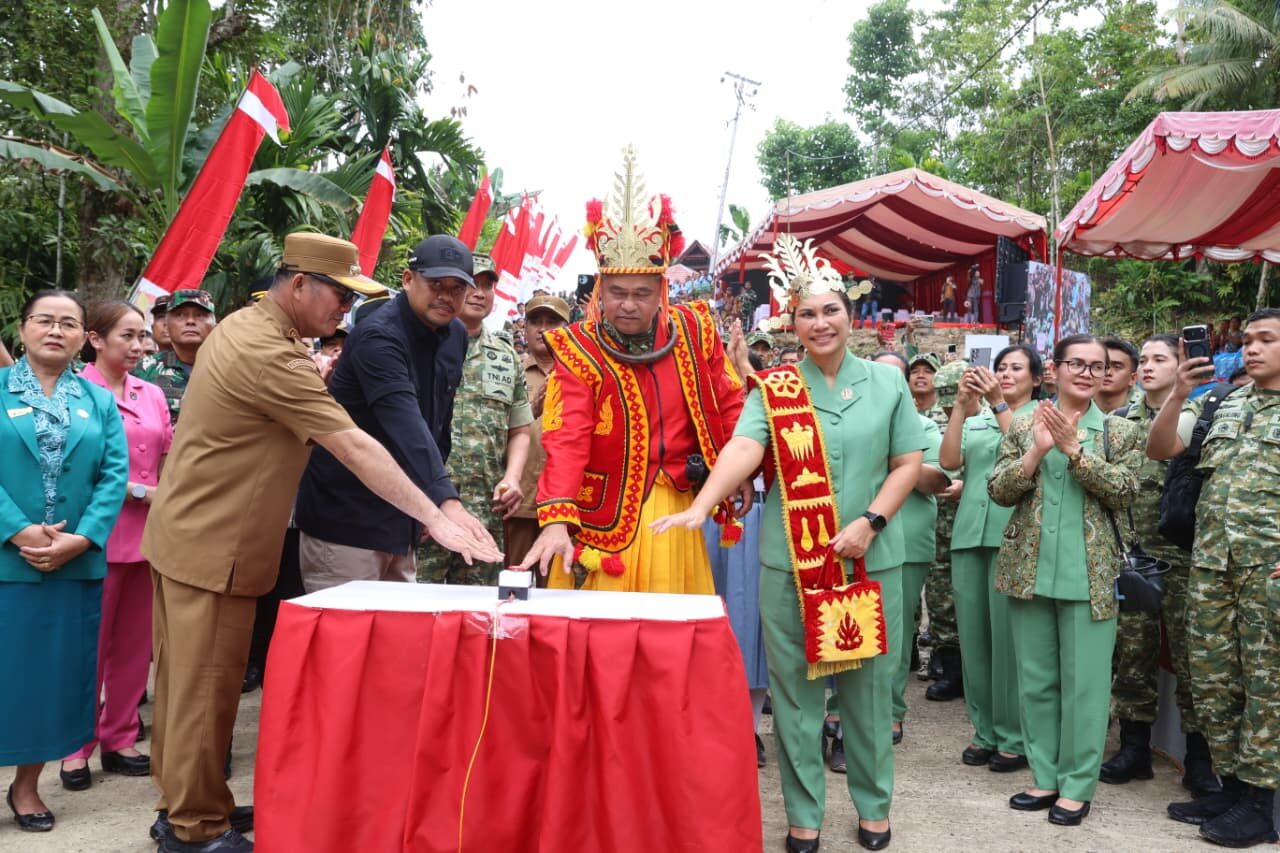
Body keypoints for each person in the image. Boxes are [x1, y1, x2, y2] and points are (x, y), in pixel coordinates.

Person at [140, 233, 501, 853]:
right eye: (339, 295)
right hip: (216, 544)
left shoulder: (253, 328)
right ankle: (194, 829)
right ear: (301, 284)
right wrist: (436, 513)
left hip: (195, 535)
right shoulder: (270, 354)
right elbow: (354, 444)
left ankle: (187, 805)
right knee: (204, 691)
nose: (345, 309)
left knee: (186, 688)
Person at [652, 234, 926, 851]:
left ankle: (874, 805)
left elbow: (908, 462)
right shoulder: (775, 389)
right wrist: (700, 505)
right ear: (792, 322)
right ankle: (804, 814)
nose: (820, 323)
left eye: (831, 310)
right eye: (807, 313)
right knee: (796, 696)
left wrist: (872, 521)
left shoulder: (887, 386)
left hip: (871, 560)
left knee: (867, 691)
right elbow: (745, 449)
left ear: (850, 316)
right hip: (790, 566)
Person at [519, 147, 748, 593]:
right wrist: (557, 517)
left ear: (661, 290)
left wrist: (734, 472)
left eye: (641, 293)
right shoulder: (580, 348)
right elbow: (567, 435)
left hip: (675, 504)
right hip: (602, 513)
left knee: (667, 625)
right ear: (600, 290)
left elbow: (728, 402)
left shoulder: (695, 329)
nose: (627, 304)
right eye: (617, 291)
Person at [988, 334, 1141, 827]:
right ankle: (1044, 776)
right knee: (1036, 682)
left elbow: (1126, 492)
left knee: (1085, 687)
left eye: (1098, 366)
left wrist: (1076, 452)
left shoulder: (1120, 432)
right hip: (1028, 571)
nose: (1087, 373)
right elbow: (998, 490)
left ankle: (1077, 785)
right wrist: (1035, 453)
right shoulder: (1023, 424)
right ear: (1054, 369)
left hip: (1089, 575)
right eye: (1077, 363)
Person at [1146, 309, 1280, 848]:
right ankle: (1233, 786)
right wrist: (1180, 392)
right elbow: (1160, 449)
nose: (1252, 349)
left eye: (1266, 340)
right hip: (1211, 567)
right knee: (1213, 680)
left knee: (1266, 684)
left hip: (1266, 570)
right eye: (1247, 340)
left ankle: (1262, 803)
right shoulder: (1223, 402)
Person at [294, 235, 494, 594]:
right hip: (347, 518)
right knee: (347, 629)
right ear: (407, 279)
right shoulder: (378, 336)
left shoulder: (454, 335)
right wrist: (445, 502)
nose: (446, 297)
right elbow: (406, 424)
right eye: (436, 284)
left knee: (400, 628)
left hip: (405, 517)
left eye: (457, 288)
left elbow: (438, 425)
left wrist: (430, 505)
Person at [0, 290, 128, 834]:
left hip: (72, 566)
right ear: (23, 329)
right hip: (6, 560)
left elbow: (114, 474)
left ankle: (27, 786)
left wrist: (84, 538)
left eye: (68, 323)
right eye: (44, 320)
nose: (56, 330)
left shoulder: (97, 400)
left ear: (83, 338)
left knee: (49, 682)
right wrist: (18, 529)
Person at [1099, 334, 1220, 797]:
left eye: (1160, 359)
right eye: (1144, 359)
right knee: (1133, 653)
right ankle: (1134, 748)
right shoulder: (1119, 420)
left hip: (1185, 555)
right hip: (1133, 555)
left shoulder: (1206, 414)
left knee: (1192, 659)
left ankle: (1199, 760)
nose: (1148, 366)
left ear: (1181, 364)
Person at [59, 301, 171, 791]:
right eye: (127, 335)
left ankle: (120, 736)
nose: (139, 345)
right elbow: (74, 466)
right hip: (96, 533)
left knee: (134, 645)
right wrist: (143, 492)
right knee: (89, 647)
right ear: (95, 339)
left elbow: (168, 454)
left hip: (150, 536)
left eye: (142, 336)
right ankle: (74, 745)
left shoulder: (152, 392)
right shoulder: (74, 392)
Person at [940, 346, 1041, 773]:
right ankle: (984, 731)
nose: (1006, 373)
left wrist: (998, 402)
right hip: (970, 534)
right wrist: (962, 406)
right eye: (1001, 368)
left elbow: (1025, 453)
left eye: (1017, 368)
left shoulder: (1041, 417)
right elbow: (949, 461)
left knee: (1009, 644)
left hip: (1013, 538)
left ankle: (1014, 736)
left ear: (1037, 378)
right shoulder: (978, 420)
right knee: (975, 641)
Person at [418, 252, 532, 585]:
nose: (479, 293)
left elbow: (520, 429)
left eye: (487, 286)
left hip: (485, 511)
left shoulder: (506, 355)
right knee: (416, 604)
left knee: (478, 610)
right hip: (428, 507)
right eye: (471, 285)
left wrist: (512, 478)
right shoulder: (418, 347)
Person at [875, 352, 949, 747]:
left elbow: (938, 480)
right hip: (855, 537)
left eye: (895, 376)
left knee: (897, 634)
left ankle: (890, 711)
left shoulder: (923, 425)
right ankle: (840, 707)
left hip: (906, 541)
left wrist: (896, 456)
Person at [505, 294, 572, 570]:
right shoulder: (511, 372)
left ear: (567, 328)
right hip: (517, 503)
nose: (543, 329)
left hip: (564, 509)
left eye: (552, 322)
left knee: (557, 587)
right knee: (513, 581)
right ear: (525, 328)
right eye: (535, 322)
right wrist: (532, 409)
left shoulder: (582, 376)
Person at [922, 358, 966, 702]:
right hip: (939, 521)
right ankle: (950, 667)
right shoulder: (930, 421)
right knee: (940, 595)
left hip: (976, 522)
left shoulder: (991, 419)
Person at [134, 289, 217, 425]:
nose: (190, 321)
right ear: (166, 326)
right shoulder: (143, 370)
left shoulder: (230, 369)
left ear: (215, 326)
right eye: (180, 315)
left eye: (200, 315)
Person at [1098, 337, 1140, 414]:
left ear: (1133, 378)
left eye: (1117, 367)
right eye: (1101, 366)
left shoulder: (1145, 411)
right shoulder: (1077, 403)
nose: (1107, 372)